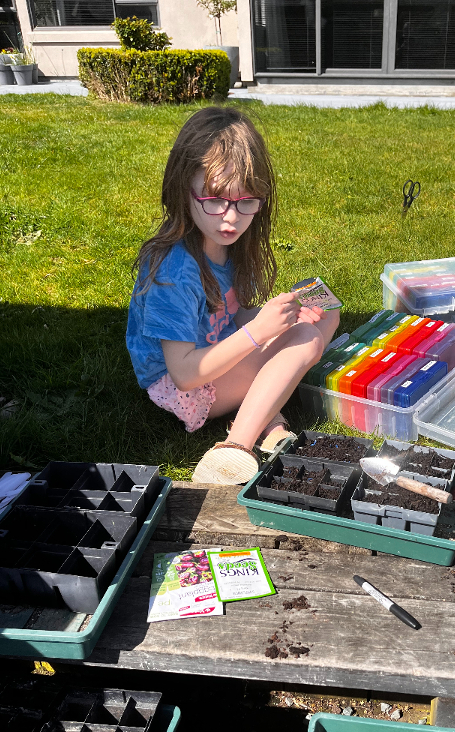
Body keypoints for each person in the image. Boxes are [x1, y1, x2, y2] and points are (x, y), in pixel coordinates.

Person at [126, 106, 339, 485]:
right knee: (305, 340)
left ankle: (265, 422)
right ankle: (236, 446)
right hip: (181, 388)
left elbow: (229, 315)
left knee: (324, 313)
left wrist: (273, 317)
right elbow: (185, 374)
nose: (230, 218)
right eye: (215, 200)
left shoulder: (223, 245)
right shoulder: (174, 271)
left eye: (246, 203)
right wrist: (260, 332)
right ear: (183, 189)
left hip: (215, 355)